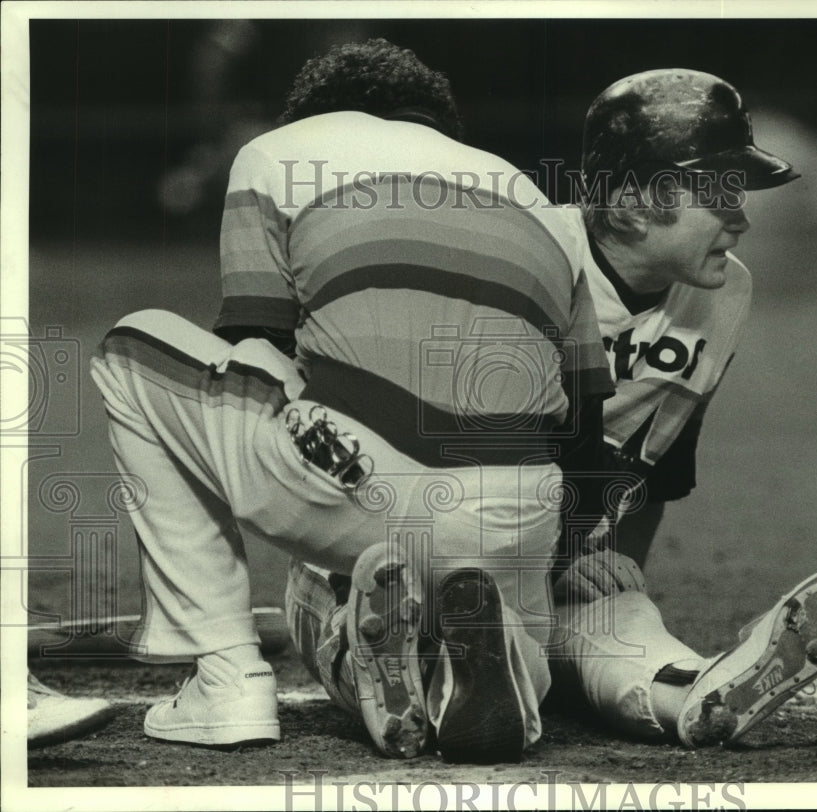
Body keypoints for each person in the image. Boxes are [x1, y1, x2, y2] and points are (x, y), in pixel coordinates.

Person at [90, 39, 613, 763]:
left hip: (362, 490)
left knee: (132, 345)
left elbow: (255, 348)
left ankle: (227, 679)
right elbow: (586, 424)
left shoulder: (277, 152)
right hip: (520, 508)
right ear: (439, 126)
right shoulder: (536, 199)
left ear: (311, 112)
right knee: (502, 627)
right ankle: (490, 670)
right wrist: (539, 560)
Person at [547, 69, 817, 745]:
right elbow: (442, 450)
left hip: (542, 554)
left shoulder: (722, 295)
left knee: (619, 631)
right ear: (631, 202)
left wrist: (612, 587)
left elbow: (650, 468)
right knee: (472, 628)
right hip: (422, 548)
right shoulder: (528, 264)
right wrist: (546, 554)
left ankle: (692, 693)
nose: (742, 218)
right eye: (716, 195)